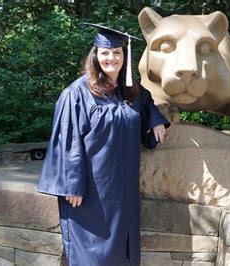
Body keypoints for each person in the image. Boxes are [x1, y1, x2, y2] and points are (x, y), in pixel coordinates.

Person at [37, 23, 170, 265]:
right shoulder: (76, 94)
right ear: (95, 55)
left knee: (120, 253)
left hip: (121, 192)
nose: (111, 58)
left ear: (124, 55)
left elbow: (147, 102)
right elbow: (68, 142)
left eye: (117, 52)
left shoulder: (130, 92)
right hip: (90, 194)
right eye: (105, 52)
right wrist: (72, 185)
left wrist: (155, 119)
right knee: (92, 256)